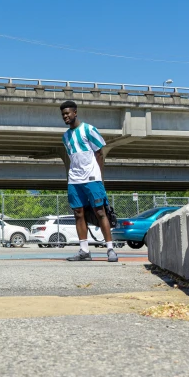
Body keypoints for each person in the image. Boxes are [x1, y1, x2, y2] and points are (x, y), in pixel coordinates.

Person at [59, 100, 118, 262]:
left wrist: (99, 176)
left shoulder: (89, 129)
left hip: (92, 178)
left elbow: (99, 153)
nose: (65, 116)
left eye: (68, 113)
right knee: (78, 213)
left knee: (100, 212)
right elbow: (73, 157)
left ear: (75, 112)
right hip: (74, 179)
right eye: (63, 114)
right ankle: (84, 251)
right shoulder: (65, 136)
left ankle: (110, 249)